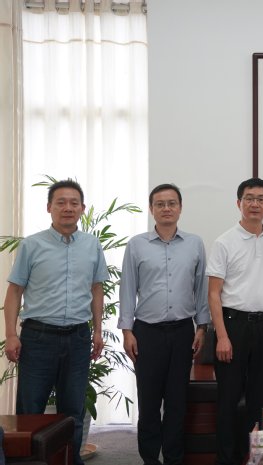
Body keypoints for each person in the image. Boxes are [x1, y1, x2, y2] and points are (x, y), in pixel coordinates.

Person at [3, 179, 108, 465]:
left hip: (77, 337)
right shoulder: (32, 245)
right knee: (30, 409)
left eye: (74, 203)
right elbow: (14, 291)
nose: (67, 208)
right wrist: (11, 334)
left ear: (82, 208)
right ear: (49, 207)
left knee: (73, 410)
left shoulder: (92, 245)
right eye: (61, 202)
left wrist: (98, 331)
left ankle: (70, 461)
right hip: (38, 337)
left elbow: (96, 289)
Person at [118, 183, 209, 465]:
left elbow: (201, 288)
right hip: (147, 333)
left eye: (171, 203)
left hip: (182, 332)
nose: (166, 208)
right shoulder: (137, 245)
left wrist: (202, 327)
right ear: (151, 209)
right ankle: (149, 458)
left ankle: (173, 458)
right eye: (160, 204)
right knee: (148, 402)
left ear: (180, 208)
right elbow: (127, 289)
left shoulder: (195, 244)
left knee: (177, 401)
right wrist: (127, 331)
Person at [207, 178, 263, 465]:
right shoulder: (224, 242)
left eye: (261, 199)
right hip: (233, 326)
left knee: (259, 399)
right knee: (228, 399)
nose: (255, 204)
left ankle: (256, 458)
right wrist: (222, 336)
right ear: (239, 203)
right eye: (249, 198)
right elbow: (214, 294)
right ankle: (226, 459)